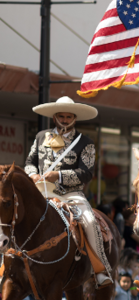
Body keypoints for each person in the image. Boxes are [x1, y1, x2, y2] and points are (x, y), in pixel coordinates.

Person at [25, 97, 113, 286]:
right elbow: (30, 162)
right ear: (55, 116)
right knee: (13, 213)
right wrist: (32, 174)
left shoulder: (86, 142)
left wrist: (58, 175)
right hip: (40, 192)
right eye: (61, 116)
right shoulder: (41, 136)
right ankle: (6, 262)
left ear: (74, 118)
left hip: (70, 194)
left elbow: (86, 173)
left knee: (89, 220)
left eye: (68, 116)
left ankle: (100, 269)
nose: (64, 120)